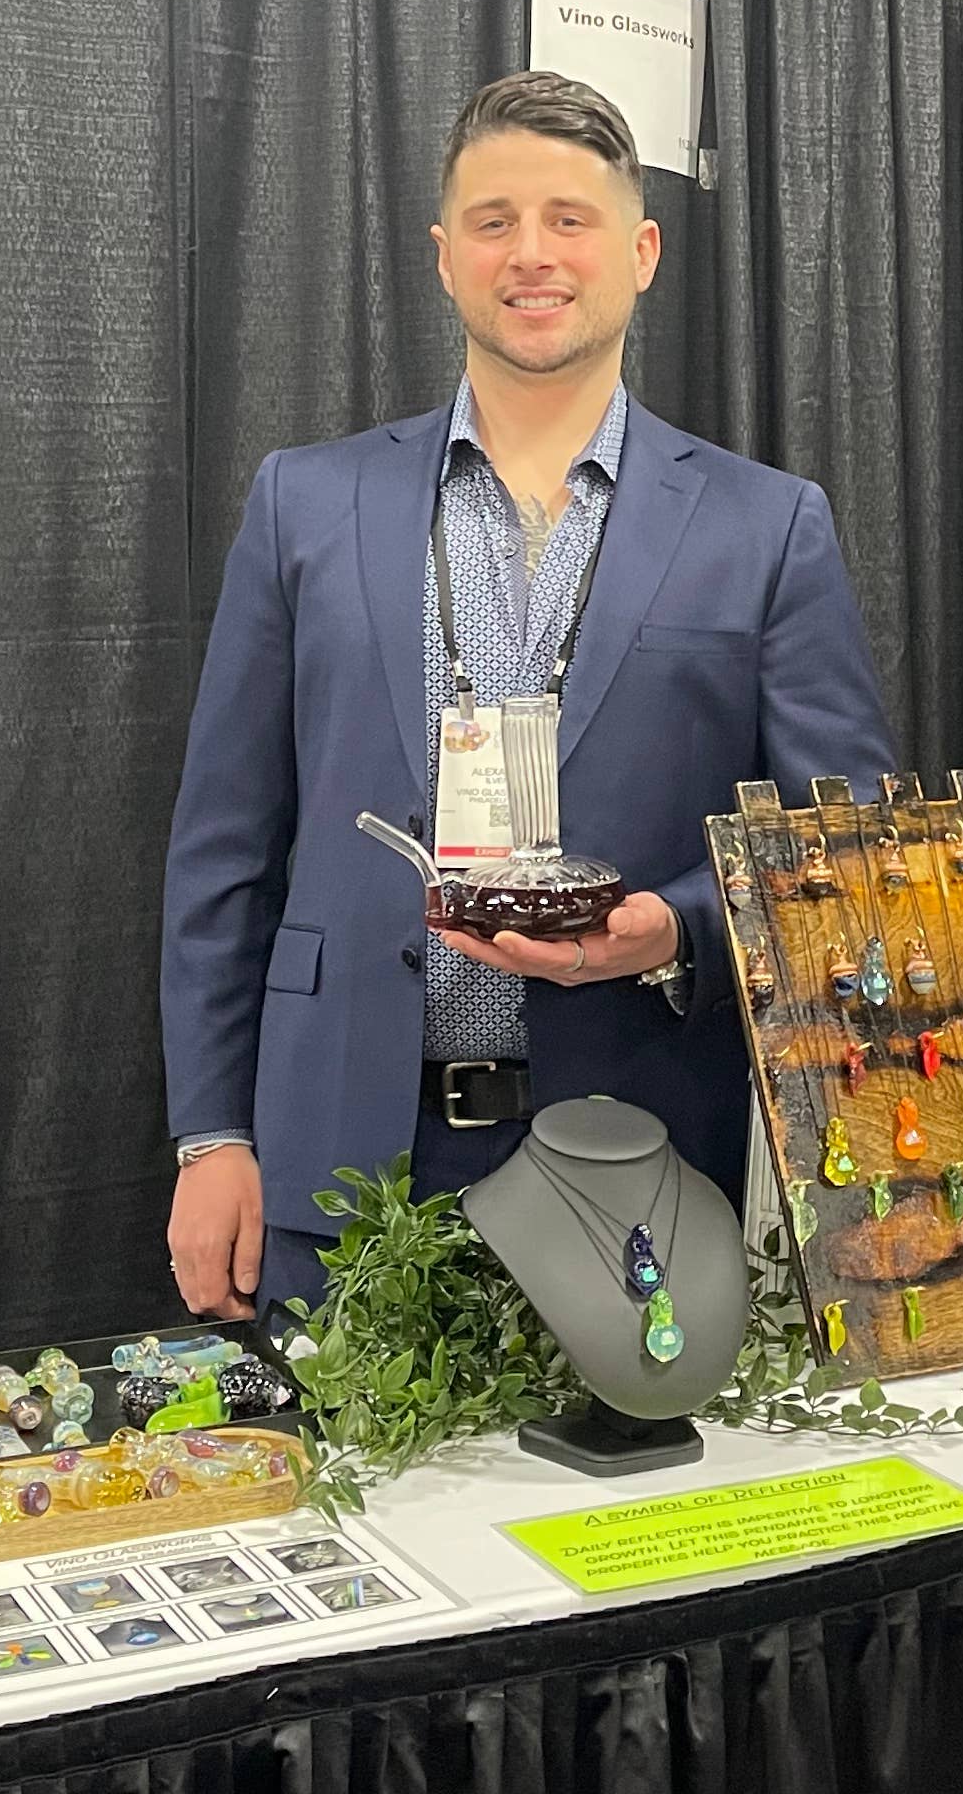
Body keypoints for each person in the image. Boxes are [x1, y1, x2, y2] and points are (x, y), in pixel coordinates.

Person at [162, 70, 898, 1315]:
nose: (532, 254)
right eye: (494, 221)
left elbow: (844, 850)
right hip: (335, 1164)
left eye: (571, 219)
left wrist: (677, 931)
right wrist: (210, 1134)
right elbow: (223, 849)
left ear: (642, 253)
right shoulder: (307, 503)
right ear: (445, 256)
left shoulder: (767, 528)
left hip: (644, 1163)